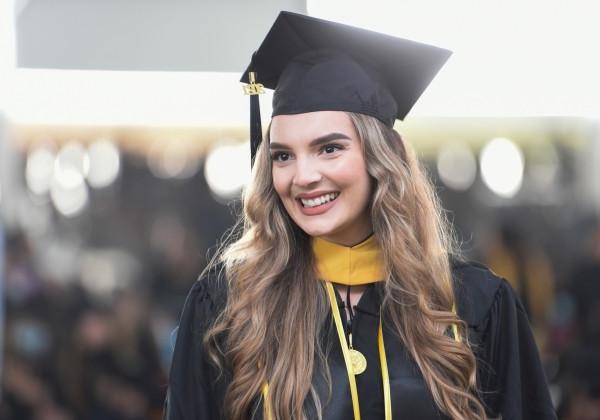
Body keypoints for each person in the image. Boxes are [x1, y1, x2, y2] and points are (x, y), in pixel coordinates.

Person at [164, 11, 556, 420]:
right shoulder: (231, 307)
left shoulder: (472, 305)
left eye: (329, 148)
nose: (303, 177)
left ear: (380, 158)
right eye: (283, 155)